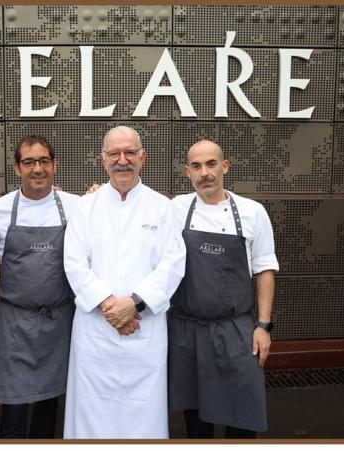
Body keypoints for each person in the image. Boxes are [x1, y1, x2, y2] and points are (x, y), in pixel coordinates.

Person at [62, 126, 186, 439]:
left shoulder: (162, 207)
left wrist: (133, 305)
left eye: (130, 152)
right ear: (102, 159)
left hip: (143, 329)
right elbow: (74, 262)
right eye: (114, 154)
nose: (122, 160)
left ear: (142, 157)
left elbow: (173, 263)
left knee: (143, 413)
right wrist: (109, 306)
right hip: (95, 332)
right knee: (91, 412)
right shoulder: (84, 206)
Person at [168, 139, 279, 438]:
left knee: (242, 415)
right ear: (187, 172)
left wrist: (263, 326)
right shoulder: (175, 208)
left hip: (235, 330)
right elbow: (133, 209)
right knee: (196, 418)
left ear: (225, 166)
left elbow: (265, 270)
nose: (205, 173)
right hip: (187, 330)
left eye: (211, 164)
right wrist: (96, 194)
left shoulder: (252, 212)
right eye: (197, 166)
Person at [0, 135, 79, 439]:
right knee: (14, 402)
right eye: (29, 162)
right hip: (15, 323)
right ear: (17, 167)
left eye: (44, 161)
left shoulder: (75, 206)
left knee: (50, 400)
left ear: (54, 165)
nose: (37, 169)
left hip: (58, 319)